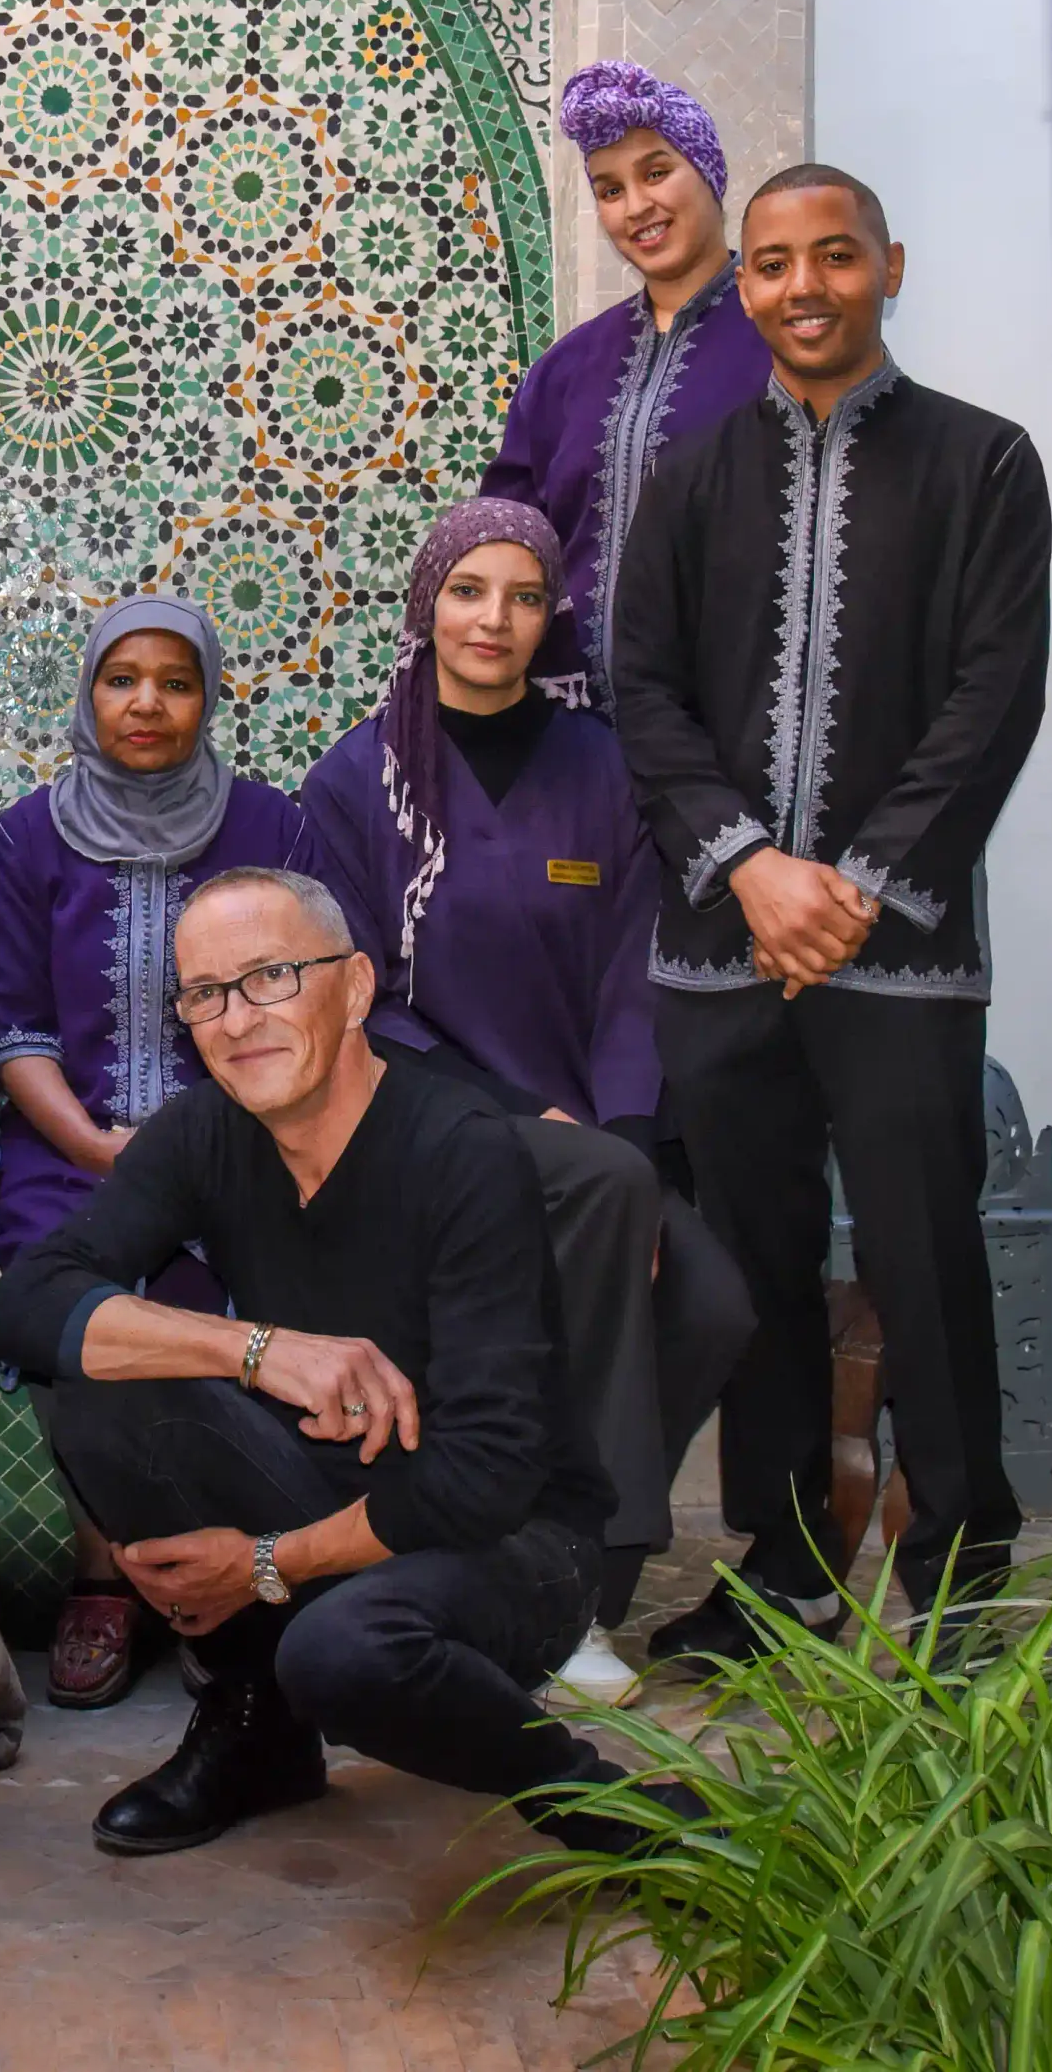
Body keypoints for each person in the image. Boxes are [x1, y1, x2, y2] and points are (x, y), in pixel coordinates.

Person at [0, 869, 696, 1863]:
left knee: (345, 1651)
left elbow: (488, 1470)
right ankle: (259, 1733)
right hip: (345, 1484)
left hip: (518, 1542)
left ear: (355, 987)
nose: (237, 1020)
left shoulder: (462, 1150)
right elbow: (24, 1308)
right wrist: (260, 1351)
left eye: (272, 976)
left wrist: (264, 1566)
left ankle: (596, 1799)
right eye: (206, 993)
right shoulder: (207, 1129)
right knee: (103, 1386)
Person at [610, 161, 1052, 1659]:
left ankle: (959, 1577)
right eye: (778, 264)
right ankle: (787, 1569)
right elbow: (645, 690)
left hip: (899, 949)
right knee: (756, 1266)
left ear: (890, 265)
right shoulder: (693, 479)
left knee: (926, 1256)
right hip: (719, 949)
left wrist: (854, 890)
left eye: (836, 256)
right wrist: (749, 864)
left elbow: (994, 700)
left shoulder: (987, 466)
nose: (805, 286)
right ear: (745, 286)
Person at [297, 498, 755, 1706]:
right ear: (427, 603)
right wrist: (528, 1117)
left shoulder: (604, 766)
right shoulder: (362, 777)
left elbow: (633, 973)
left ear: (551, 615)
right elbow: (356, 997)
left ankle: (529, 1550)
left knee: (711, 1304)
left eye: (522, 595)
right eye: (467, 590)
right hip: (425, 1119)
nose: (492, 618)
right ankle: (581, 1602)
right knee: (604, 1201)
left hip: (592, 1131)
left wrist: (619, 1137)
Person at [0, 595, 308, 1710]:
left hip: (244, 1147)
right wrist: (88, 1141)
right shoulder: (26, 834)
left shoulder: (271, 827)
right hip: (70, 1148)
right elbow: (12, 1023)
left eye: (176, 680)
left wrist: (197, 1153)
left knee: (235, 1278)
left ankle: (220, 1572)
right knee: (74, 1294)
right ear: (87, 694)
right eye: (123, 679)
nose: (148, 703)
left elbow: (299, 1009)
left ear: (210, 697)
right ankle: (102, 1569)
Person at [483, 62, 776, 699]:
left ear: (708, 172)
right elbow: (507, 542)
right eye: (610, 190)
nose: (636, 207)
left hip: (729, 740)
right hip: (571, 751)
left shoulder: (782, 346)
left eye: (656, 172)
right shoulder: (565, 370)